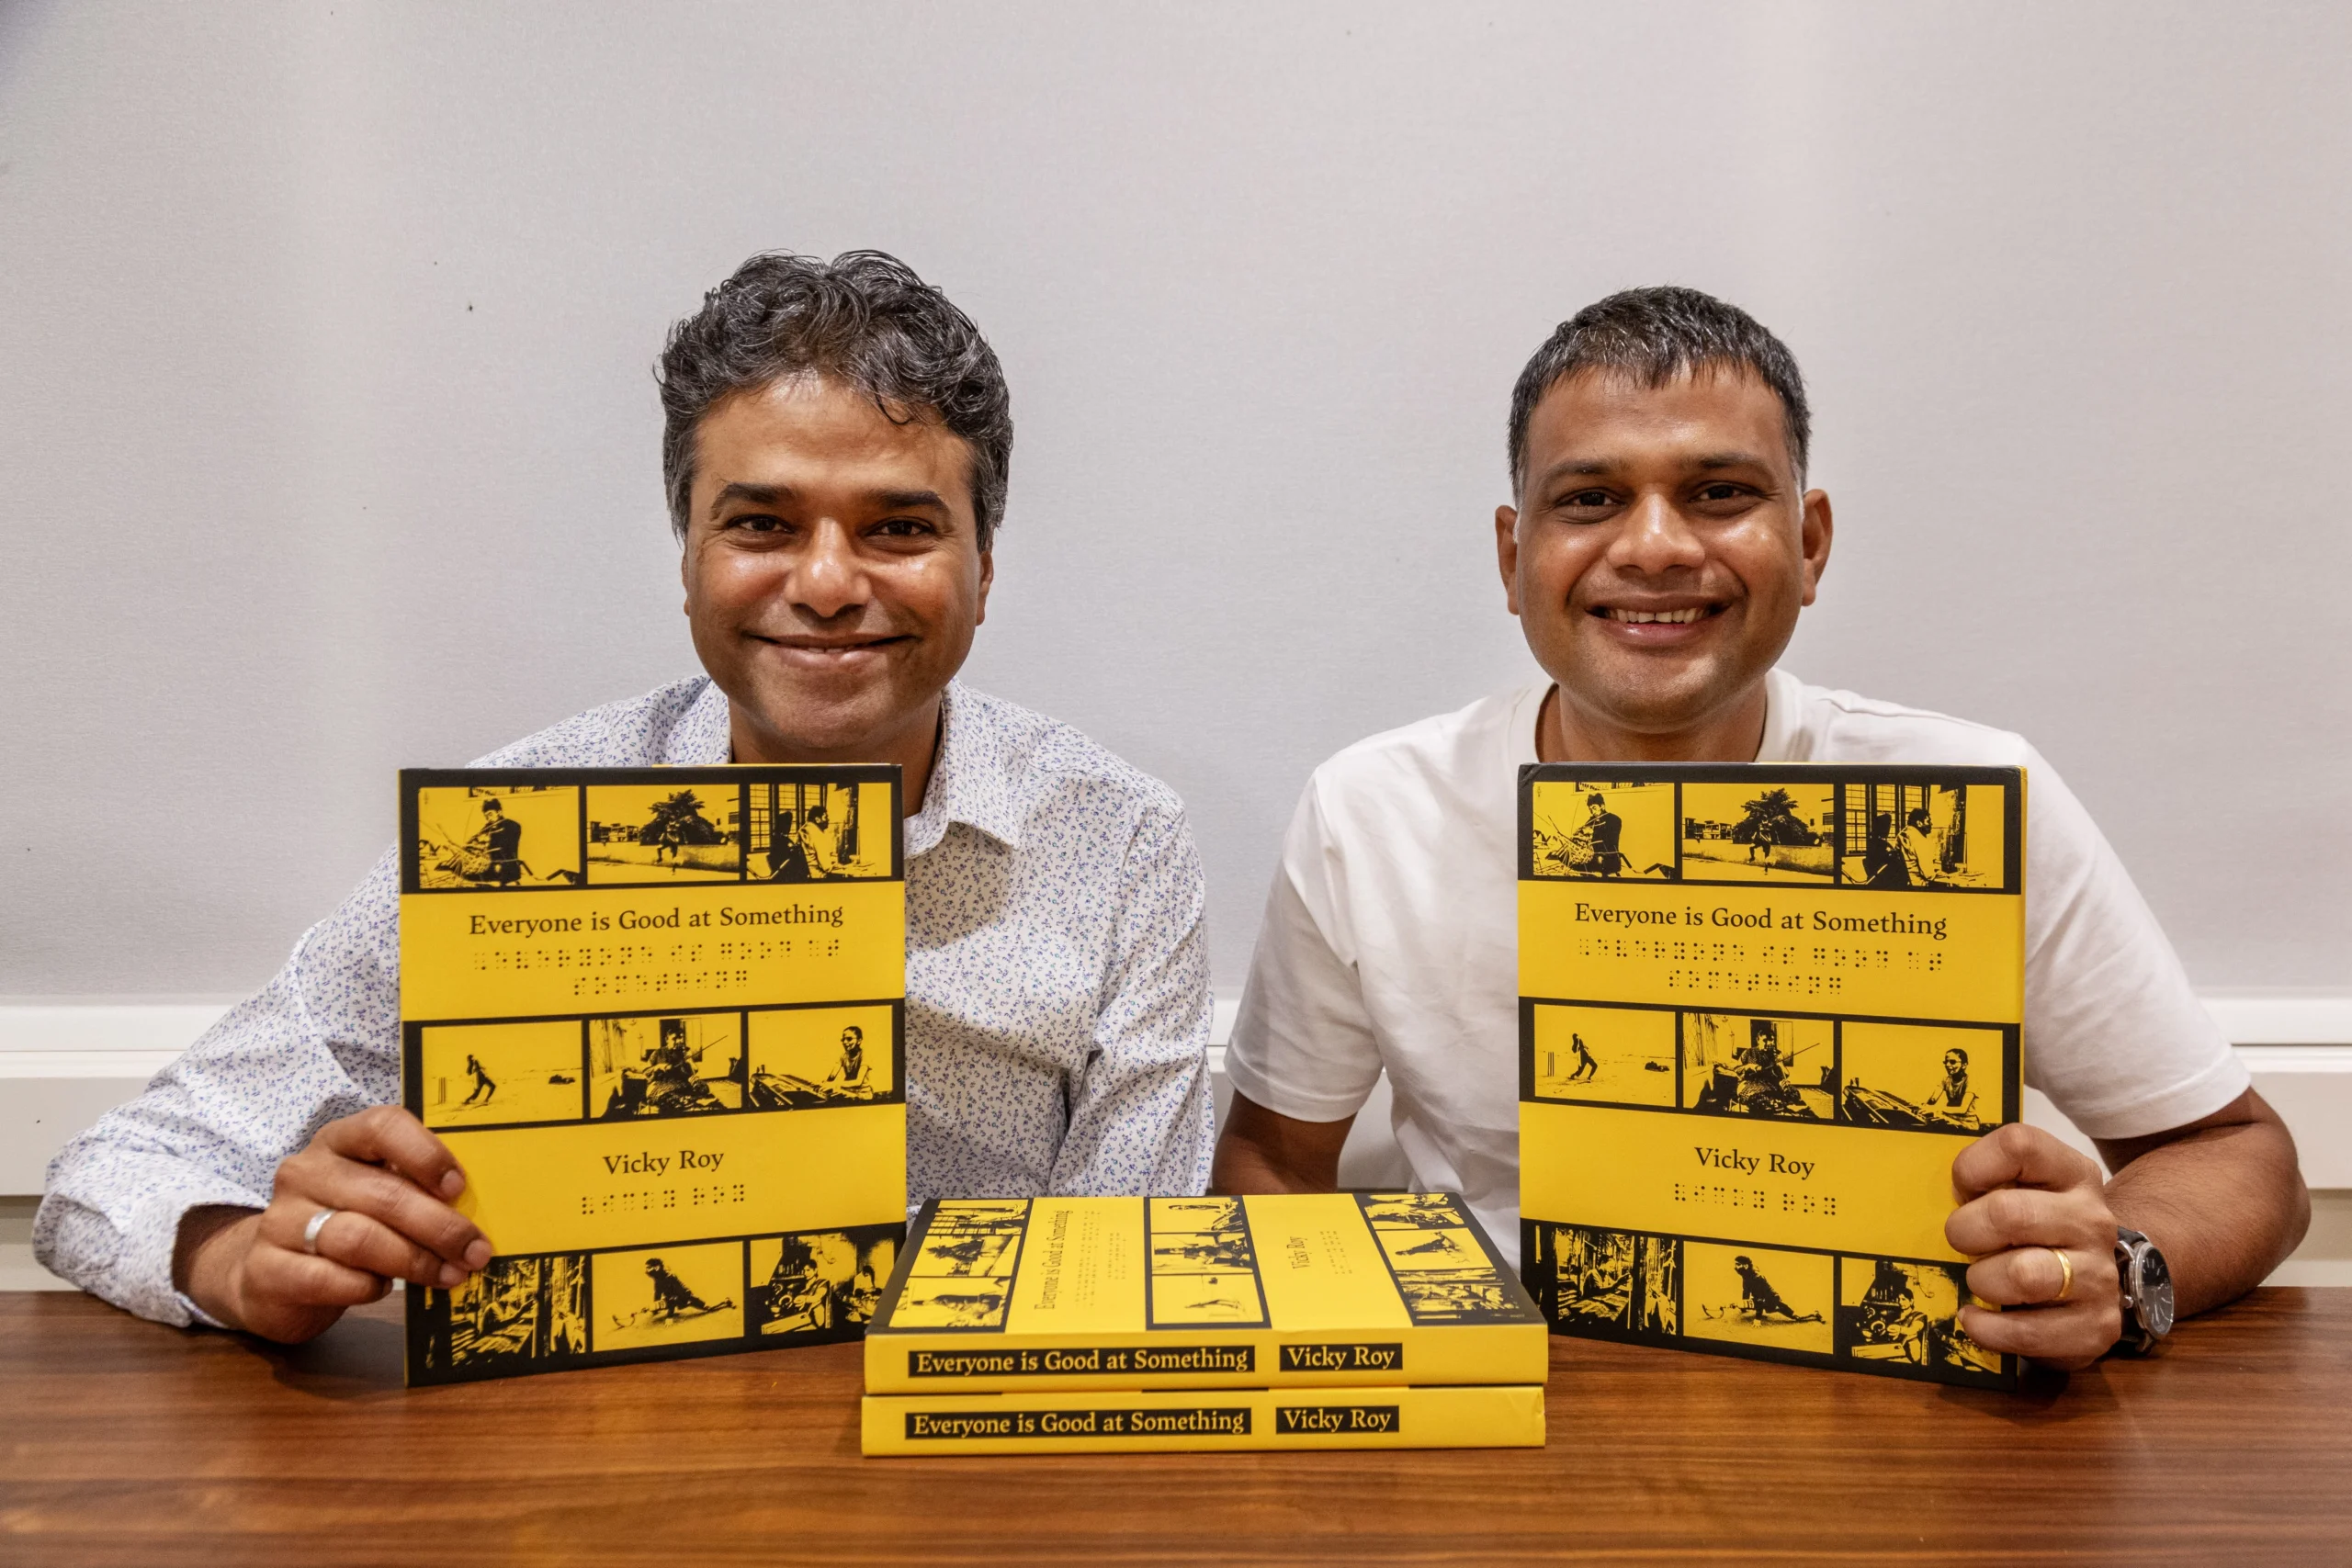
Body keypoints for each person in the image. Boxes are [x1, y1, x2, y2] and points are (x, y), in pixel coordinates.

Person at [38, 251, 1215, 1344]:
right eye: (760, 524)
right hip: (585, 1454)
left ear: (984, 570)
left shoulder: (1119, 843)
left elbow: (1121, 1272)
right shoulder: (516, 830)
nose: (823, 583)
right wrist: (235, 1257)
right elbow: (121, 1167)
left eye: (899, 528)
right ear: (688, 556)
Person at [1216, 286, 2310, 1371]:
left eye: (1719, 492)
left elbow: (2234, 1154)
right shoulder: (1371, 811)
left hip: (1908, 1411)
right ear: (1513, 558)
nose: (1652, 548)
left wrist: (2111, 1270)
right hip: (1521, 1404)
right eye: (1589, 500)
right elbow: (1269, 1157)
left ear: (1811, 541)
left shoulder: (1973, 796)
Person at [466, 797, 525, 886]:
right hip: (491, 867)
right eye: (486, 816)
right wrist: (472, 844)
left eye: (490, 814)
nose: (488, 818)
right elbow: (473, 842)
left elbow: (507, 846)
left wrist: (488, 840)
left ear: (499, 812)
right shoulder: (488, 827)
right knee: (469, 877)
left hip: (507, 866)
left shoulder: (512, 825)